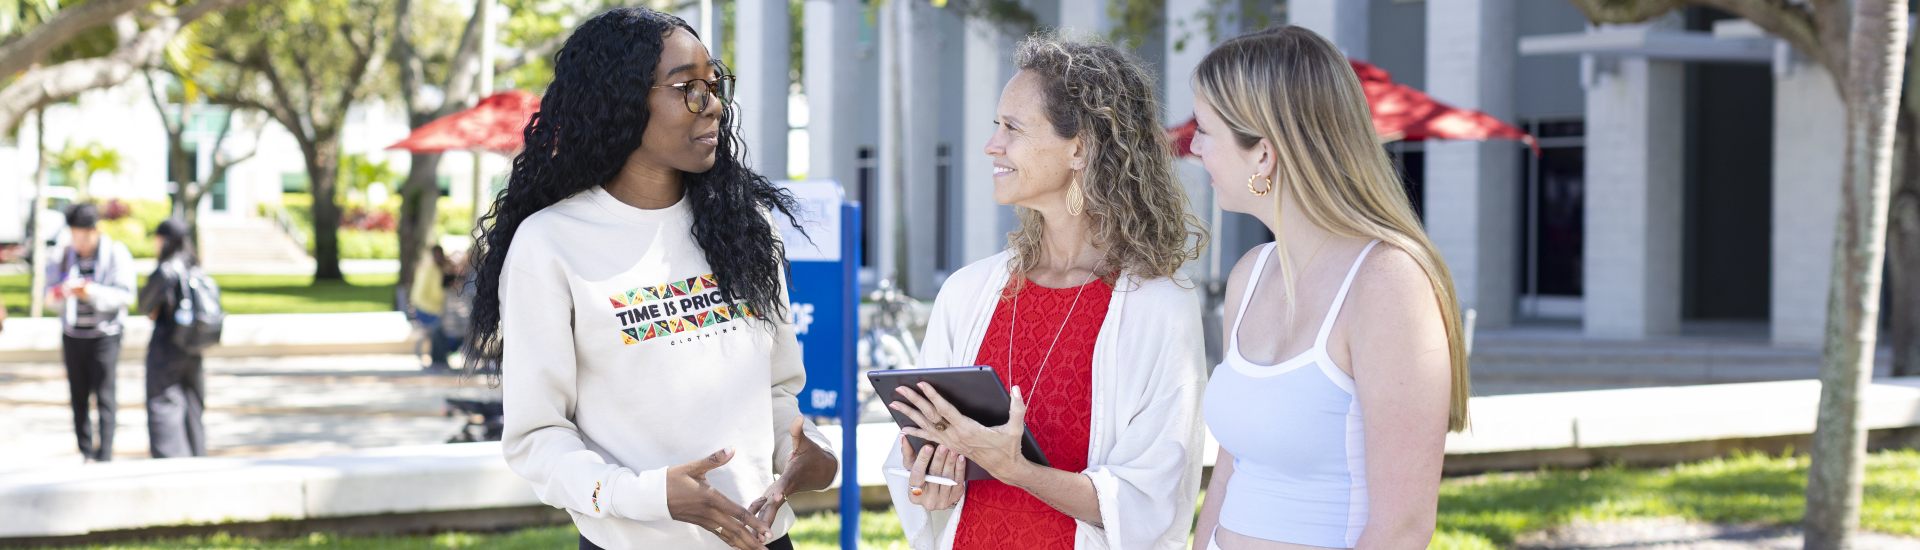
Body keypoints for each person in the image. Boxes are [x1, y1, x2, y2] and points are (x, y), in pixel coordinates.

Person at [464, 7, 838, 550]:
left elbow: (776, 391)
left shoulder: (744, 226)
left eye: (715, 84)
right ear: (620, 100)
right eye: (687, 87)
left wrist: (805, 453)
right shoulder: (551, 244)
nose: (711, 105)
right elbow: (536, 437)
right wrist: (648, 496)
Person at [881, 34, 1211, 550]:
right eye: (997, 126)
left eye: (1012, 128)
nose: (993, 145)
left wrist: (1018, 470)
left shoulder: (1159, 305)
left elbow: (1155, 499)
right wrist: (929, 477)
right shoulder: (968, 293)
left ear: (1079, 147)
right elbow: (915, 471)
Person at [1186, 26, 1472, 550]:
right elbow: (1229, 473)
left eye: (1205, 130)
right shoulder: (1250, 274)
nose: (1194, 146)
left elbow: (1403, 525)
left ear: (1263, 156)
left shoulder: (1388, 283)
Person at [43, 203, 136, 463]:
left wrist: (91, 292)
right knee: (78, 395)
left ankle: (105, 453)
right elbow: (49, 296)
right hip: (73, 334)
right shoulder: (63, 255)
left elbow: (126, 295)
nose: (78, 242)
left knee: (105, 394)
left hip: (105, 335)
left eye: (83, 236)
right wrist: (60, 293)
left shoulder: (116, 254)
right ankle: (85, 452)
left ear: (95, 231)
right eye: (74, 236)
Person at [139, 219, 207, 458]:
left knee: (162, 406)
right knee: (192, 407)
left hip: (166, 346)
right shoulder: (195, 266)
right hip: (193, 347)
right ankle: (197, 458)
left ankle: (169, 464)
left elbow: (144, 304)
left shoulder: (166, 270)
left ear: (164, 240)